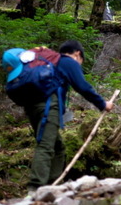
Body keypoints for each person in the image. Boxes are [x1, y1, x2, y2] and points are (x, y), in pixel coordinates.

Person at [21, 40, 114, 193]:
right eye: (81, 61)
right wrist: (102, 104)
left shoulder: (49, 63)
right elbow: (82, 86)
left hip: (31, 105)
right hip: (49, 105)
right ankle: (36, 189)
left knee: (58, 147)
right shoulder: (67, 62)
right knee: (46, 145)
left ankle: (54, 186)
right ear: (78, 53)